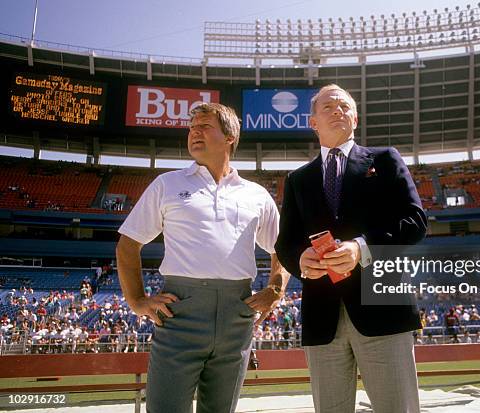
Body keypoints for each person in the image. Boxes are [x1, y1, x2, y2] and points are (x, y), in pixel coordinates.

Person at [116, 102, 289, 413]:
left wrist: (274, 291)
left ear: (230, 137)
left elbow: (283, 248)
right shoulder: (167, 183)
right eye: (192, 127)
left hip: (237, 314)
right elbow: (128, 244)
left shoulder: (256, 194)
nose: (194, 131)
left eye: (204, 126)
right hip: (180, 310)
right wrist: (136, 299)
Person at [275, 84, 427, 413]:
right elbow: (285, 244)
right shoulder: (298, 180)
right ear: (312, 122)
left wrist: (362, 247)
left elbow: (416, 221)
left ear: (355, 118)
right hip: (322, 315)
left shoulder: (385, 160)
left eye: (345, 106)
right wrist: (300, 259)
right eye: (328, 107)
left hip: (384, 307)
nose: (338, 111)